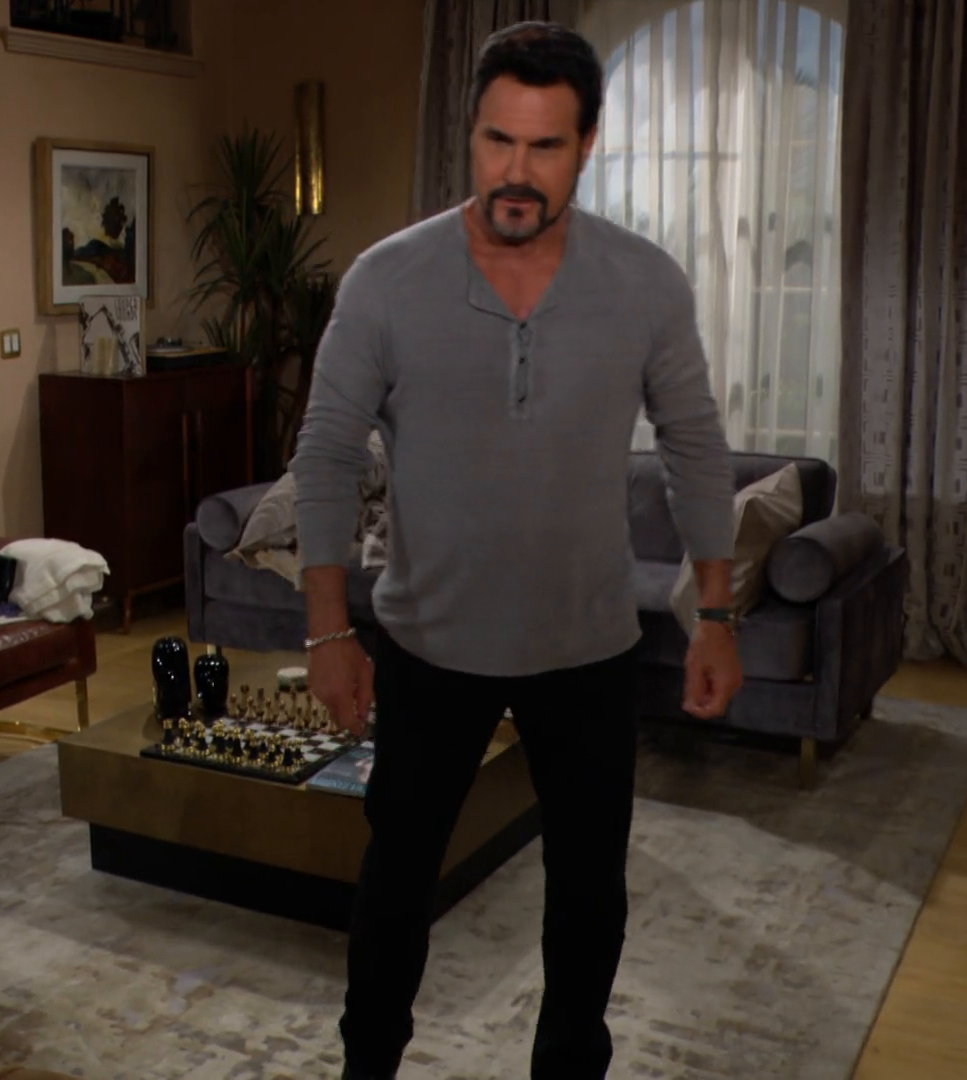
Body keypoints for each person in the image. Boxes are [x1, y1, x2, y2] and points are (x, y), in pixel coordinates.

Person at [292, 22, 744, 1080]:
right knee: (396, 886)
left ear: (587, 144)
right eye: (498, 141)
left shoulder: (645, 283)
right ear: (472, 134)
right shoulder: (386, 280)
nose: (515, 171)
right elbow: (325, 453)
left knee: (588, 897)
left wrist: (716, 615)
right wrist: (326, 630)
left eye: (544, 147)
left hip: (586, 649)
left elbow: (694, 445)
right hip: (430, 645)